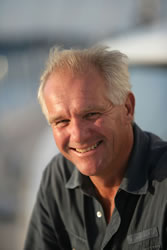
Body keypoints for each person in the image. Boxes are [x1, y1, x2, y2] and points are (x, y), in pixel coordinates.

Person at [24, 46, 167, 250]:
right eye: (62, 121)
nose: (79, 135)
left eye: (91, 114)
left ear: (127, 108)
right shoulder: (58, 177)